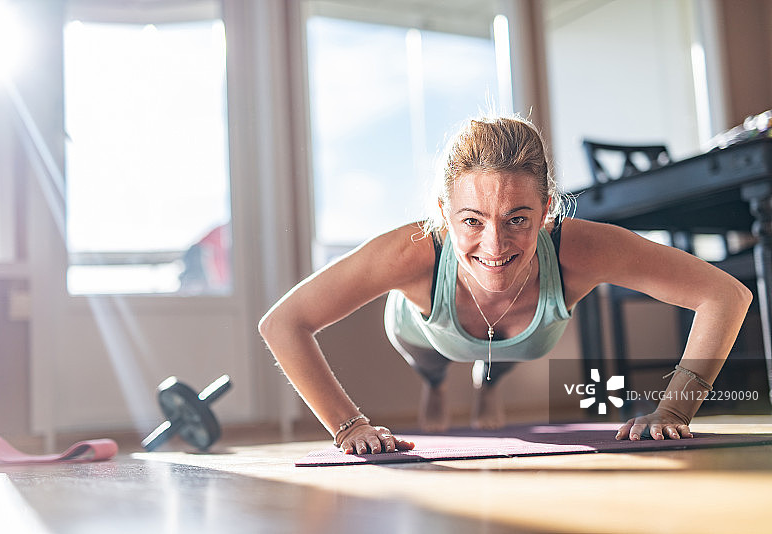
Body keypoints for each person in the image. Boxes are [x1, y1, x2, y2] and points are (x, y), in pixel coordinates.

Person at [258, 115, 753, 455]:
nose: (494, 246)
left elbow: (726, 294)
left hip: (519, 340)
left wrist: (674, 410)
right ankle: (435, 383)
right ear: (442, 215)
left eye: (517, 219)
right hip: (424, 330)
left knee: (500, 358)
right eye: (471, 220)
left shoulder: (582, 247)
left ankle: (487, 379)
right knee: (430, 363)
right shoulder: (411, 251)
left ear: (548, 211)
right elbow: (283, 322)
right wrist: (350, 427)